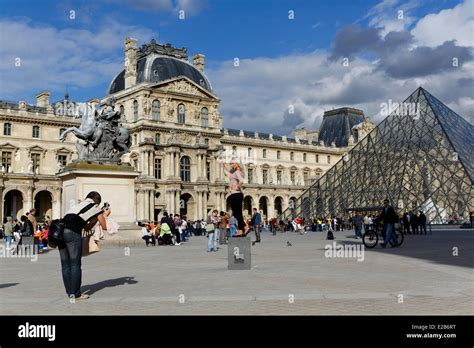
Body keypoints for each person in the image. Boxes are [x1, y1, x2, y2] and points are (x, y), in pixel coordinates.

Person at [59, 191, 106, 300]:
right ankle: (76, 294)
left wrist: (94, 221)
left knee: (65, 264)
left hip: (60, 232)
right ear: (97, 201)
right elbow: (104, 226)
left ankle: (70, 291)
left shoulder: (77, 206)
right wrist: (105, 215)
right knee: (75, 264)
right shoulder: (95, 207)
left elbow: (86, 228)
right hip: (72, 233)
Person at [224, 160, 248, 236]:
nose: (232, 164)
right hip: (236, 194)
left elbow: (241, 181)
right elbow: (231, 172)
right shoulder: (237, 172)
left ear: (237, 164)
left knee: (237, 213)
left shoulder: (237, 172)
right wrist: (225, 166)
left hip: (236, 194)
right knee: (237, 213)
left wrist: (237, 187)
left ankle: (244, 227)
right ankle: (240, 230)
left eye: (233, 163)